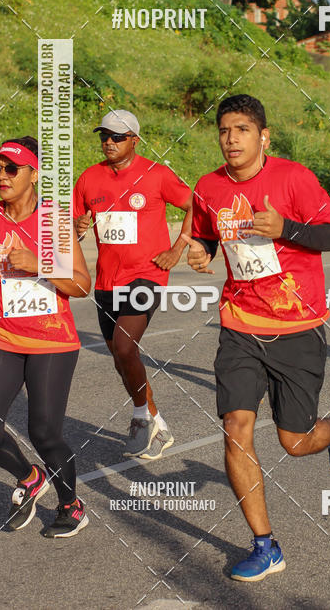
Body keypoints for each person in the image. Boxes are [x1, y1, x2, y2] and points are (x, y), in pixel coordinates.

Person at [184, 94, 330, 582]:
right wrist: (201, 253)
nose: (231, 138)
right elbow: (208, 237)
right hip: (239, 323)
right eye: (223, 130)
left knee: (295, 442)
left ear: (263, 136)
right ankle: (265, 545)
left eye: (241, 129)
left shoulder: (293, 178)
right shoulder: (208, 186)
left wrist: (288, 228)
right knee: (236, 427)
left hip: (297, 327)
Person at [0, 137, 91, 537]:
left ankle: (71, 505)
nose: (1, 176)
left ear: (33, 174)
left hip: (52, 341)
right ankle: (30, 476)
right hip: (2, 336)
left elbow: (82, 285)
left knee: (44, 431)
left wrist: (39, 264)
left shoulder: (55, 222)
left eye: (11, 168)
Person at [73, 110, 192, 460]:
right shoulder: (89, 178)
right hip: (107, 280)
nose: (109, 142)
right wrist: (79, 227)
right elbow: (75, 227)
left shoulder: (157, 174)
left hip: (147, 274)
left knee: (125, 347)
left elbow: (195, 205)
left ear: (134, 141)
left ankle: (140, 417)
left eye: (117, 136)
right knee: (119, 357)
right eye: (104, 136)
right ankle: (155, 419)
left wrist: (177, 249)